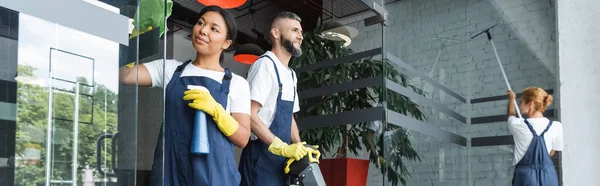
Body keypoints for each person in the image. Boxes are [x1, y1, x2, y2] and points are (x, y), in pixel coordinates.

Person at [119, 6, 251, 186]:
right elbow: (124, 75)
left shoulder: (237, 83)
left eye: (214, 29)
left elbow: (243, 138)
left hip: (216, 177)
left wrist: (217, 112)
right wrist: (138, 37)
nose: (203, 30)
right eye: (200, 23)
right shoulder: (170, 69)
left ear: (226, 43)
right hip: (171, 172)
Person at [239, 11, 320, 186]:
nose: (300, 36)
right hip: (260, 158)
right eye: (294, 30)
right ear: (276, 33)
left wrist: (300, 148)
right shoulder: (265, 65)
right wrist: (281, 147)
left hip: (280, 162)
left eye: (300, 32)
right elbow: (250, 114)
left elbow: (288, 116)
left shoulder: (291, 74)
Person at [507, 87, 563, 186]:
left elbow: (511, 115)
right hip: (549, 176)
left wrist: (511, 99)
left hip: (526, 177)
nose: (519, 105)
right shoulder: (556, 126)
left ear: (530, 104)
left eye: (521, 102)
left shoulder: (519, 125)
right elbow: (551, 152)